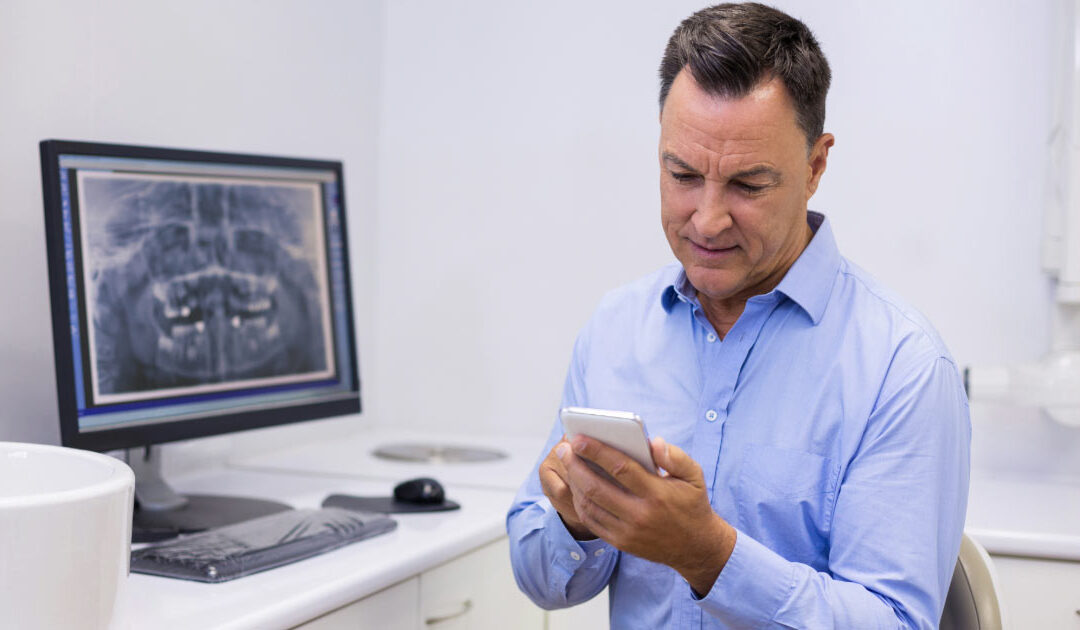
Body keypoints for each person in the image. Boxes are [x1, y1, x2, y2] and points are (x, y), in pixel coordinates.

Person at [506, 3, 970, 629]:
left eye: (748, 185)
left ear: (815, 166)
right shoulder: (617, 329)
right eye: (683, 175)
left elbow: (895, 622)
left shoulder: (902, 368)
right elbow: (542, 580)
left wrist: (708, 555)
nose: (707, 219)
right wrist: (576, 518)